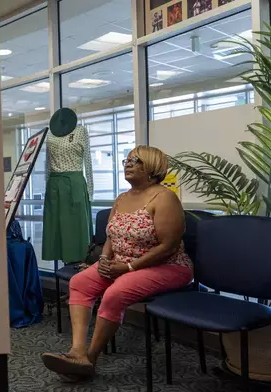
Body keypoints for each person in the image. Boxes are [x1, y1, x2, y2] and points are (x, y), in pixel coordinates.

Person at [41, 146, 194, 381]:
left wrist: (130, 267)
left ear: (152, 167)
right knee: (80, 282)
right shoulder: (122, 198)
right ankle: (77, 351)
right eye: (127, 160)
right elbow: (111, 235)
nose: (128, 164)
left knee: (116, 292)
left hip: (168, 266)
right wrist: (104, 259)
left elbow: (168, 247)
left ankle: (90, 359)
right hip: (121, 263)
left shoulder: (165, 198)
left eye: (136, 161)